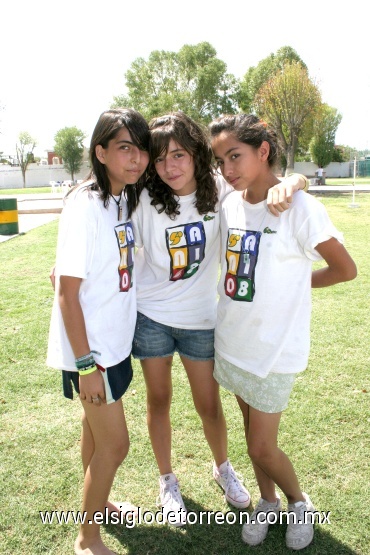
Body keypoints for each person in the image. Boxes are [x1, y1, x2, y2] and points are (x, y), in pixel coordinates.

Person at [130, 111, 308, 527]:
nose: (169, 166)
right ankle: (167, 480)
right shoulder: (143, 199)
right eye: (159, 159)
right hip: (152, 318)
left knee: (209, 405)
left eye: (178, 155)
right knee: (158, 401)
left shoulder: (222, 188)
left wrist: (294, 181)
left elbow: (271, 175)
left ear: (195, 154)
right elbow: (103, 206)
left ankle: (223, 467)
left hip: (202, 321)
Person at [209, 113, 357, 550]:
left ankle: (298, 501)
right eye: (221, 160)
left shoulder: (300, 209)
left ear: (263, 151)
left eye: (235, 156)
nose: (227, 169)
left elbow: (345, 269)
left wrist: (296, 183)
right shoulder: (230, 203)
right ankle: (268, 501)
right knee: (250, 428)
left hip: (274, 350)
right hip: (233, 341)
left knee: (260, 447)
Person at [47, 108, 150, 555]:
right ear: (101, 151)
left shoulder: (122, 197)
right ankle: (87, 538)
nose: (137, 158)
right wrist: (87, 365)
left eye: (141, 148)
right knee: (116, 445)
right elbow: (68, 295)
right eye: (125, 147)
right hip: (94, 353)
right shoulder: (85, 205)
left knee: (95, 435)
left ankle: (100, 502)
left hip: (114, 341)